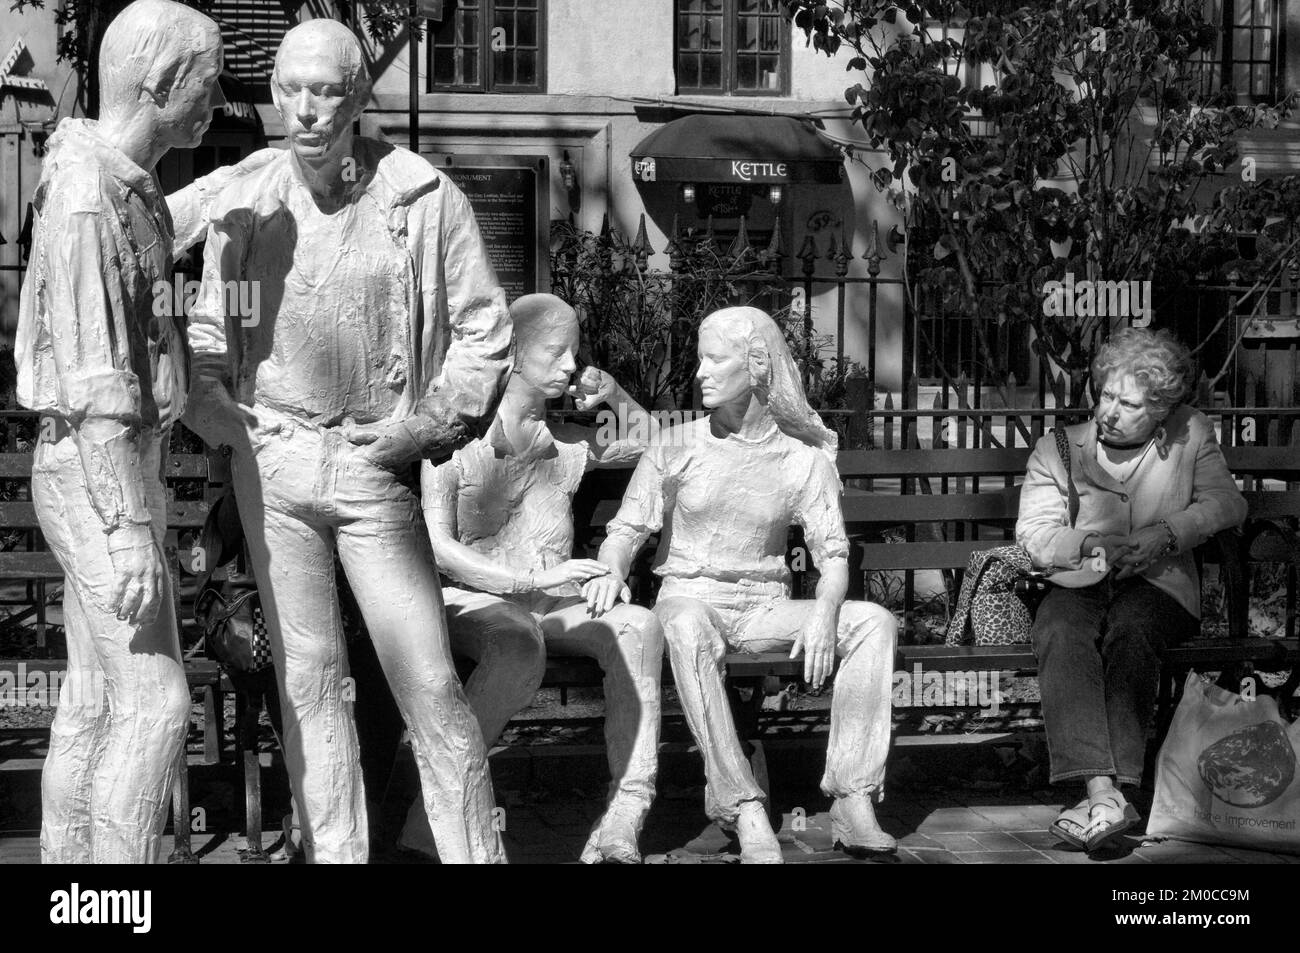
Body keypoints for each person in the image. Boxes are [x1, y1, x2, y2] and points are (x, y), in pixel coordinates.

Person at [184, 20, 513, 864]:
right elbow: (216, 328)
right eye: (287, 89)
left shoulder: (421, 196)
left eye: (324, 90)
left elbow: (484, 333)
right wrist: (221, 409)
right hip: (279, 458)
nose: (303, 110)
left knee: (430, 683)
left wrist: (420, 428)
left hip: (376, 463)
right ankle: (336, 853)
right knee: (310, 681)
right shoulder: (248, 199)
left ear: (358, 96)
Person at [16, 0, 276, 864]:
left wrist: (234, 187)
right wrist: (129, 530)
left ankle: (72, 885)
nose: (218, 100)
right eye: (208, 82)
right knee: (157, 701)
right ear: (164, 82)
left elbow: (161, 250)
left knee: (93, 697)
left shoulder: (120, 188)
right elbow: (95, 382)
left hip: (108, 469)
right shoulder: (90, 202)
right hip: (100, 476)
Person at [585, 306, 898, 864]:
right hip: (690, 597)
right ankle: (744, 805)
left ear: (756, 367)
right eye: (700, 358)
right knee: (681, 623)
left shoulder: (802, 461)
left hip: (763, 608)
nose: (699, 372)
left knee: (873, 622)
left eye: (713, 358)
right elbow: (627, 530)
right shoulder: (676, 446)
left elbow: (833, 557)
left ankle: (853, 799)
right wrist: (611, 567)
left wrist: (826, 610)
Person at [399, 293, 664, 864]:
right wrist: (521, 580)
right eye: (557, 351)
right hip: (471, 600)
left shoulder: (568, 445)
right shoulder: (454, 437)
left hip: (557, 601)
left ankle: (624, 815)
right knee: (518, 644)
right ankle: (438, 820)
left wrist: (615, 395)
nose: (572, 365)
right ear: (513, 355)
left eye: (575, 351)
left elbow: (665, 443)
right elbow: (439, 548)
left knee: (639, 628)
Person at [1017, 327, 1247, 853]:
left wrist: (1167, 534)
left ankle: (1106, 797)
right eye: (1107, 396)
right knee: (1058, 625)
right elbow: (1033, 534)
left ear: (1162, 410)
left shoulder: (1191, 433)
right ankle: (1106, 793)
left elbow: (1227, 505)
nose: (1110, 412)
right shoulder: (1059, 449)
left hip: (1161, 583)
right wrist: (1089, 542)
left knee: (1133, 629)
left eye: (1130, 404)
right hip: (1081, 578)